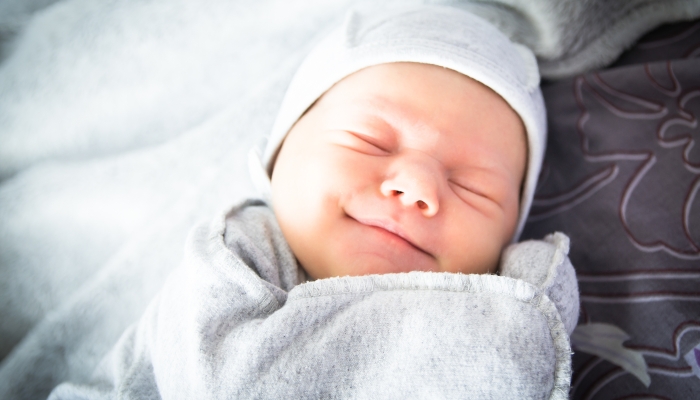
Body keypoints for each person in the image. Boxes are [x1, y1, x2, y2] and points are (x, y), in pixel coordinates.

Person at [50, 5, 579, 399]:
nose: (417, 186)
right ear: (277, 158)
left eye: (473, 186)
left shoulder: (503, 309)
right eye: (371, 142)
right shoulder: (233, 262)